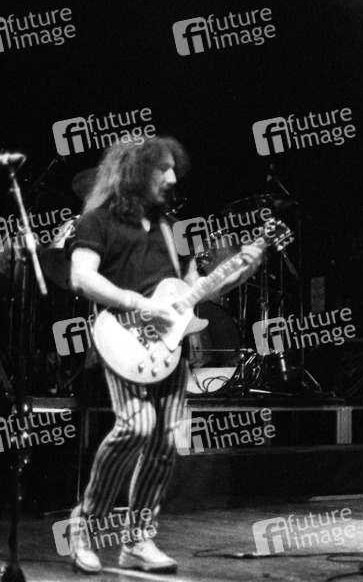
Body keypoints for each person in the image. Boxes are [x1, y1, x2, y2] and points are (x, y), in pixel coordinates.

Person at [65, 137, 263, 573]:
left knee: (165, 440)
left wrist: (237, 272)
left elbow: (189, 294)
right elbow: (81, 278)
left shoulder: (169, 228)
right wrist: (137, 304)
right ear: (136, 171)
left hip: (170, 347)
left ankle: (138, 539)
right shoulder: (97, 221)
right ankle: (86, 525)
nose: (173, 178)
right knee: (136, 427)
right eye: (163, 169)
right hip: (123, 338)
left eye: (174, 169)